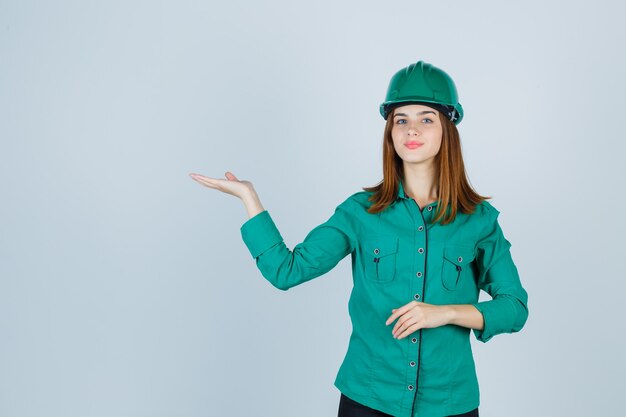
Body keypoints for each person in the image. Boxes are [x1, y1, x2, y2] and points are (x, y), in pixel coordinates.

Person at [189, 60, 529, 417]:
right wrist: (249, 198)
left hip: (449, 403)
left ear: (447, 128)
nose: (412, 129)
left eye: (426, 118)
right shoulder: (359, 212)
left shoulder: (479, 221)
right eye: (401, 119)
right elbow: (285, 270)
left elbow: (515, 308)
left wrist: (444, 313)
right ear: (390, 131)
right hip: (367, 399)